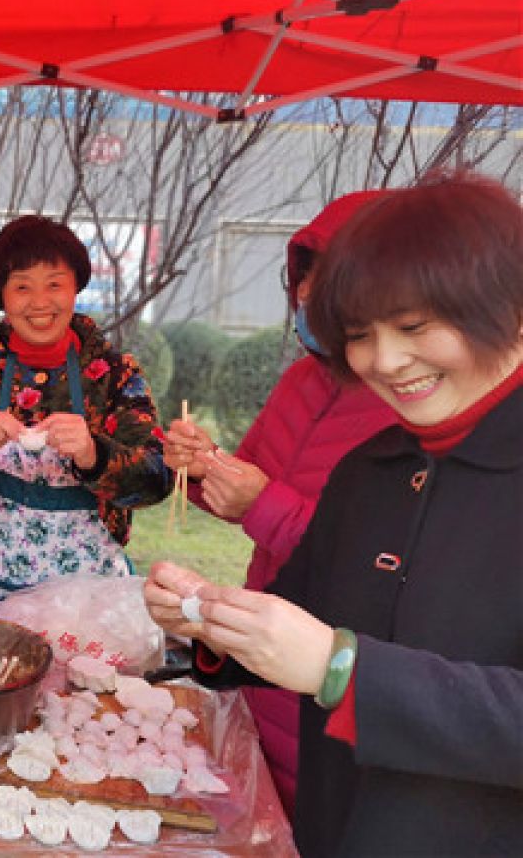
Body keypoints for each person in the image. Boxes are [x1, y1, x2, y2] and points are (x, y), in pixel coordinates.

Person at [144, 172, 523, 857]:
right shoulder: (372, 470)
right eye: (359, 333)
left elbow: (328, 658)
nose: (384, 360)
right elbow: (302, 615)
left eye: (413, 327)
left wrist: (341, 668)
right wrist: (214, 625)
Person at [161, 191, 398, 811]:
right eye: (303, 287)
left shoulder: (405, 403)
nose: (306, 306)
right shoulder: (301, 377)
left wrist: (263, 504)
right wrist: (200, 466)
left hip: (335, 670)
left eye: (329, 295)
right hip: (256, 652)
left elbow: (380, 557)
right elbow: (248, 480)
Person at [0, 215, 173, 606]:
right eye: (22, 287)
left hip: (86, 598)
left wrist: (93, 454)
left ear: (76, 287)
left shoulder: (115, 374)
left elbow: (156, 480)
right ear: (1, 295)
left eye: (54, 284)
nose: (40, 302)